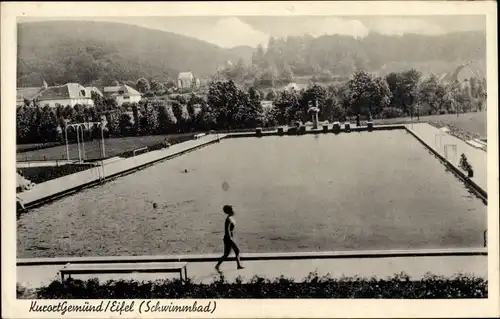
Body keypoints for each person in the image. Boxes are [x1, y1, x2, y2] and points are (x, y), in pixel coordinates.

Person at [215, 205, 244, 271]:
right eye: (233, 209)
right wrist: (230, 239)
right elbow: (227, 230)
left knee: (227, 254)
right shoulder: (229, 219)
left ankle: (217, 265)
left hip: (229, 237)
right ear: (230, 210)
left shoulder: (230, 218)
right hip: (228, 238)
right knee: (234, 251)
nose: (234, 210)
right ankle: (238, 266)